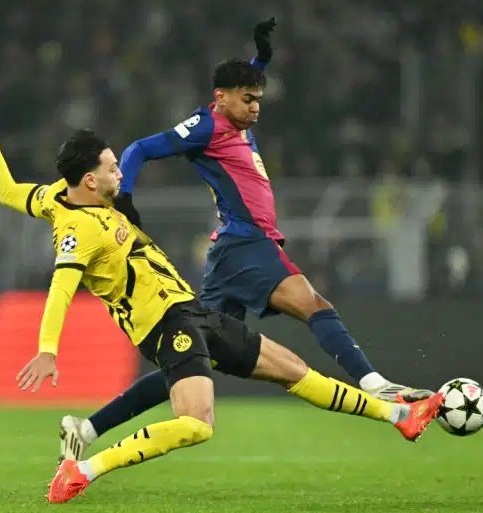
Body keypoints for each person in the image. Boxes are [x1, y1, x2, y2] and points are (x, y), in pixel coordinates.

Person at [0, 92, 444, 504]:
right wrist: (47, 349)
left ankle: (400, 416)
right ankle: (83, 470)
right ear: (90, 181)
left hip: (190, 311)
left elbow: (8, 191)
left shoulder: (56, 195)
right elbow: (61, 289)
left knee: (293, 369)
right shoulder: (78, 231)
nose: (121, 173)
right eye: (112, 168)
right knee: (196, 424)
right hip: (164, 325)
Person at [61, 18, 433, 462]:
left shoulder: (235, 117)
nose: (256, 108)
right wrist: (124, 198)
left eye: (259, 99)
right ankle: (376, 384)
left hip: (230, 253)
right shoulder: (206, 125)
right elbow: (139, 149)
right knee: (314, 304)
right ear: (221, 98)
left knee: (193, 358)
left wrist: (261, 60)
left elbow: (243, 83)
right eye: (248, 99)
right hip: (246, 242)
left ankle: (88, 428)